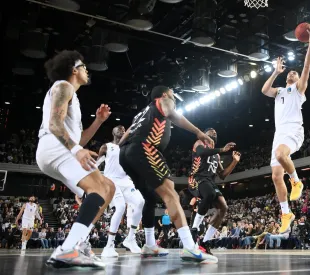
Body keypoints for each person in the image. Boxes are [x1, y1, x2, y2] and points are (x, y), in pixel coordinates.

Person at [118, 85, 218, 263]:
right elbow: (172, 114)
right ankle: (190, 247)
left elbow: (126, 134)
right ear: (164, 95)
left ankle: (149, 244)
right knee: (170, 193)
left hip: (126, 154)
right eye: (172, 94)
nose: (174, 98)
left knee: (149, 198)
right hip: (145, 149)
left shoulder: (141, 113)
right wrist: (197, 132)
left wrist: (121, 153)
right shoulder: (163, 101)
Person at [36, 50, 115, 268]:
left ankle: (79, 243)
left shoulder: (74, 97)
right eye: (84, 67)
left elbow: (78, 138)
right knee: (99, 188)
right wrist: (76, 151)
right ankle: (68, 249)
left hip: (55, 150)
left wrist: (98, 122)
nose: (87, 70)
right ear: (74, 70)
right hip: (54, 146)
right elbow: (54, 124)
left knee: (108, 188)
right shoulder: (64, 86)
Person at [260, 25, 310, 233]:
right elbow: (264, 90)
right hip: (279, 133)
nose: (293, 73)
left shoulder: (298, 89)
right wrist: (275, 72)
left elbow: (308, 67)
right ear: (286, 77)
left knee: (280, 154)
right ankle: (286, 213)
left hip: (293, 130)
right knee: (275, 176)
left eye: (295, 72)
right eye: (291, 72)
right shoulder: (280, 91)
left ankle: (296, 181)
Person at [188, 128, 241, 254]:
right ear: (204, 135)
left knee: (223, 207)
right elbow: (201, 152)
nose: (214, 132)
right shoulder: (199, 143)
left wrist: (234, 162)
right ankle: (194, 229)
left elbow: (222, 175)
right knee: (210, 194)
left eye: (216, 132)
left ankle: (205, 242)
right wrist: (223, 149)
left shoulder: (216, 156)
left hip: (210, 181)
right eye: (210, 131)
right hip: (197, 178)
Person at [98, 126, 145, 257]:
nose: (121, 130)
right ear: (113, 132)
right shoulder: (106, 147)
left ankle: (130, 238)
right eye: (118, 129)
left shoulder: (128, 147)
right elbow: (96, 165)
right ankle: (109, 245)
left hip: (125, 180)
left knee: (141, 202)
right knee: (120, 207)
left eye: (124, 129)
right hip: (111, 181)